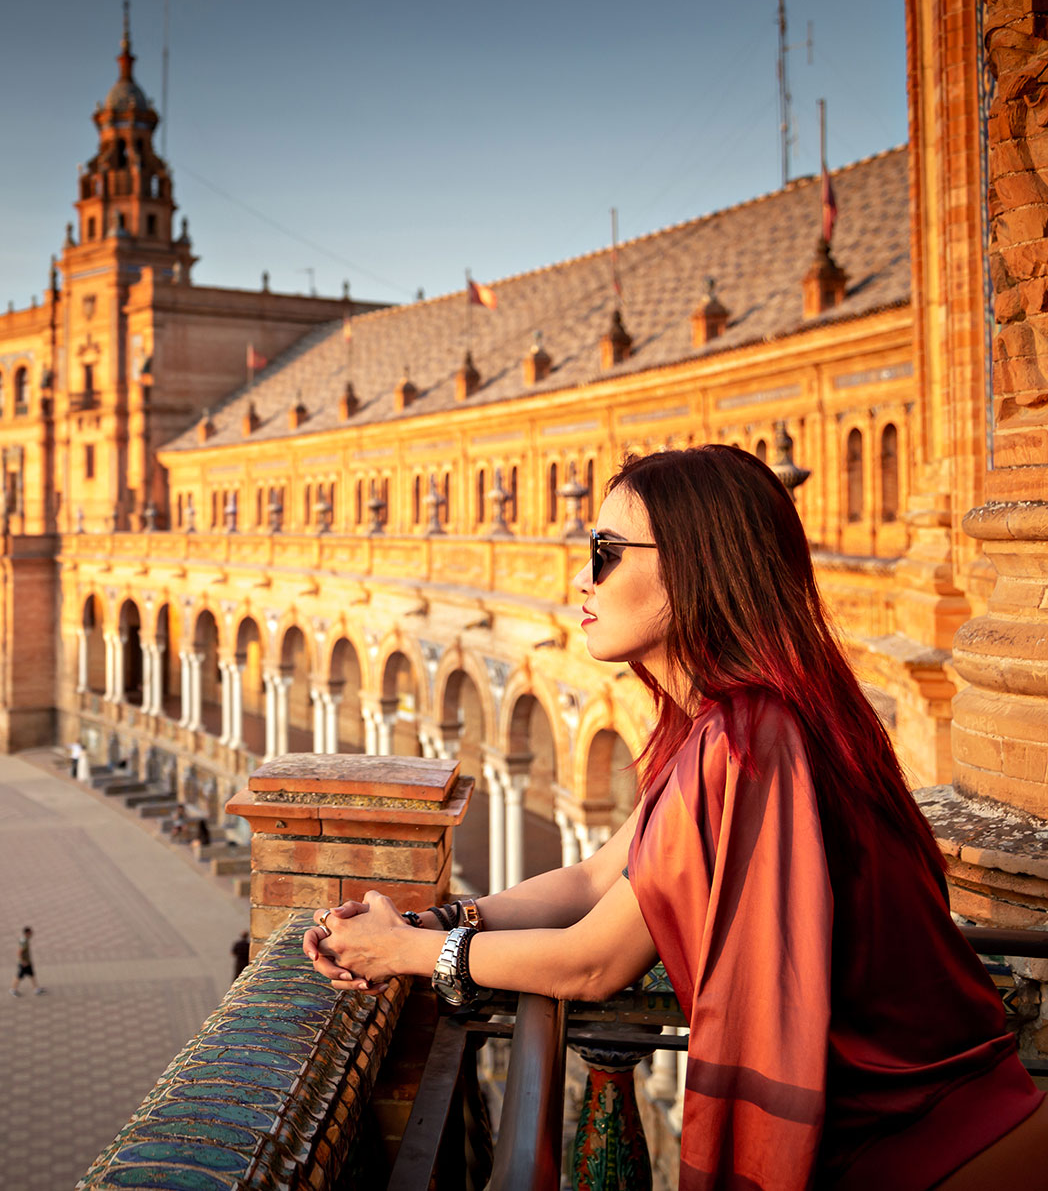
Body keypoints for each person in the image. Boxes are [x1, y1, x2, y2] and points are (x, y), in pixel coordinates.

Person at [304, 446, 1048, 1190]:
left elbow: (595, 959)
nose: (580, 578)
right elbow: (595, 877)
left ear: (694, 564)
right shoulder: (732, 727)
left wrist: (406, 955)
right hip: (939, 1129)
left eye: (605, 553)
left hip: (945, 1147)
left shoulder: (748, 739)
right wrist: (441, 919)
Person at [11, 926, 44, 996]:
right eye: (30, 932)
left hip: (27, 962)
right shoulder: (24, 942)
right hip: (24, 964)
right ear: (27, 933)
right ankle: (13, 989)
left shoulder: (24, 939)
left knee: (32, 975)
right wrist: (22, 961)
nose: (32, 934)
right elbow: (19, 952)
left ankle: (36, 989)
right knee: (19, 976)